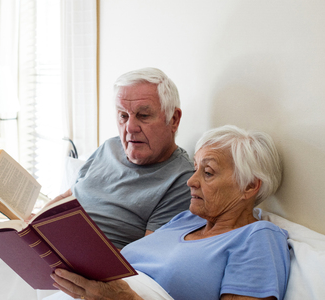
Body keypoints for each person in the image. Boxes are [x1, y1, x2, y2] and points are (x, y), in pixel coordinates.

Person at [49, 125, 291, 300]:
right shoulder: (186, 220)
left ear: (249, 186)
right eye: (195, 169)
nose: (191, 182)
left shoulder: (258, 238)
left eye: (207, 172)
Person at [46, 68, 194, 249]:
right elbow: (69, 194)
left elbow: (148, 258)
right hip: (50, 247)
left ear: (174, 120)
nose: (130, 127)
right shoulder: (110, 147)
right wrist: (33, 222)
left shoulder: (182, 179)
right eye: (123, 116)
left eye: (144, 116)